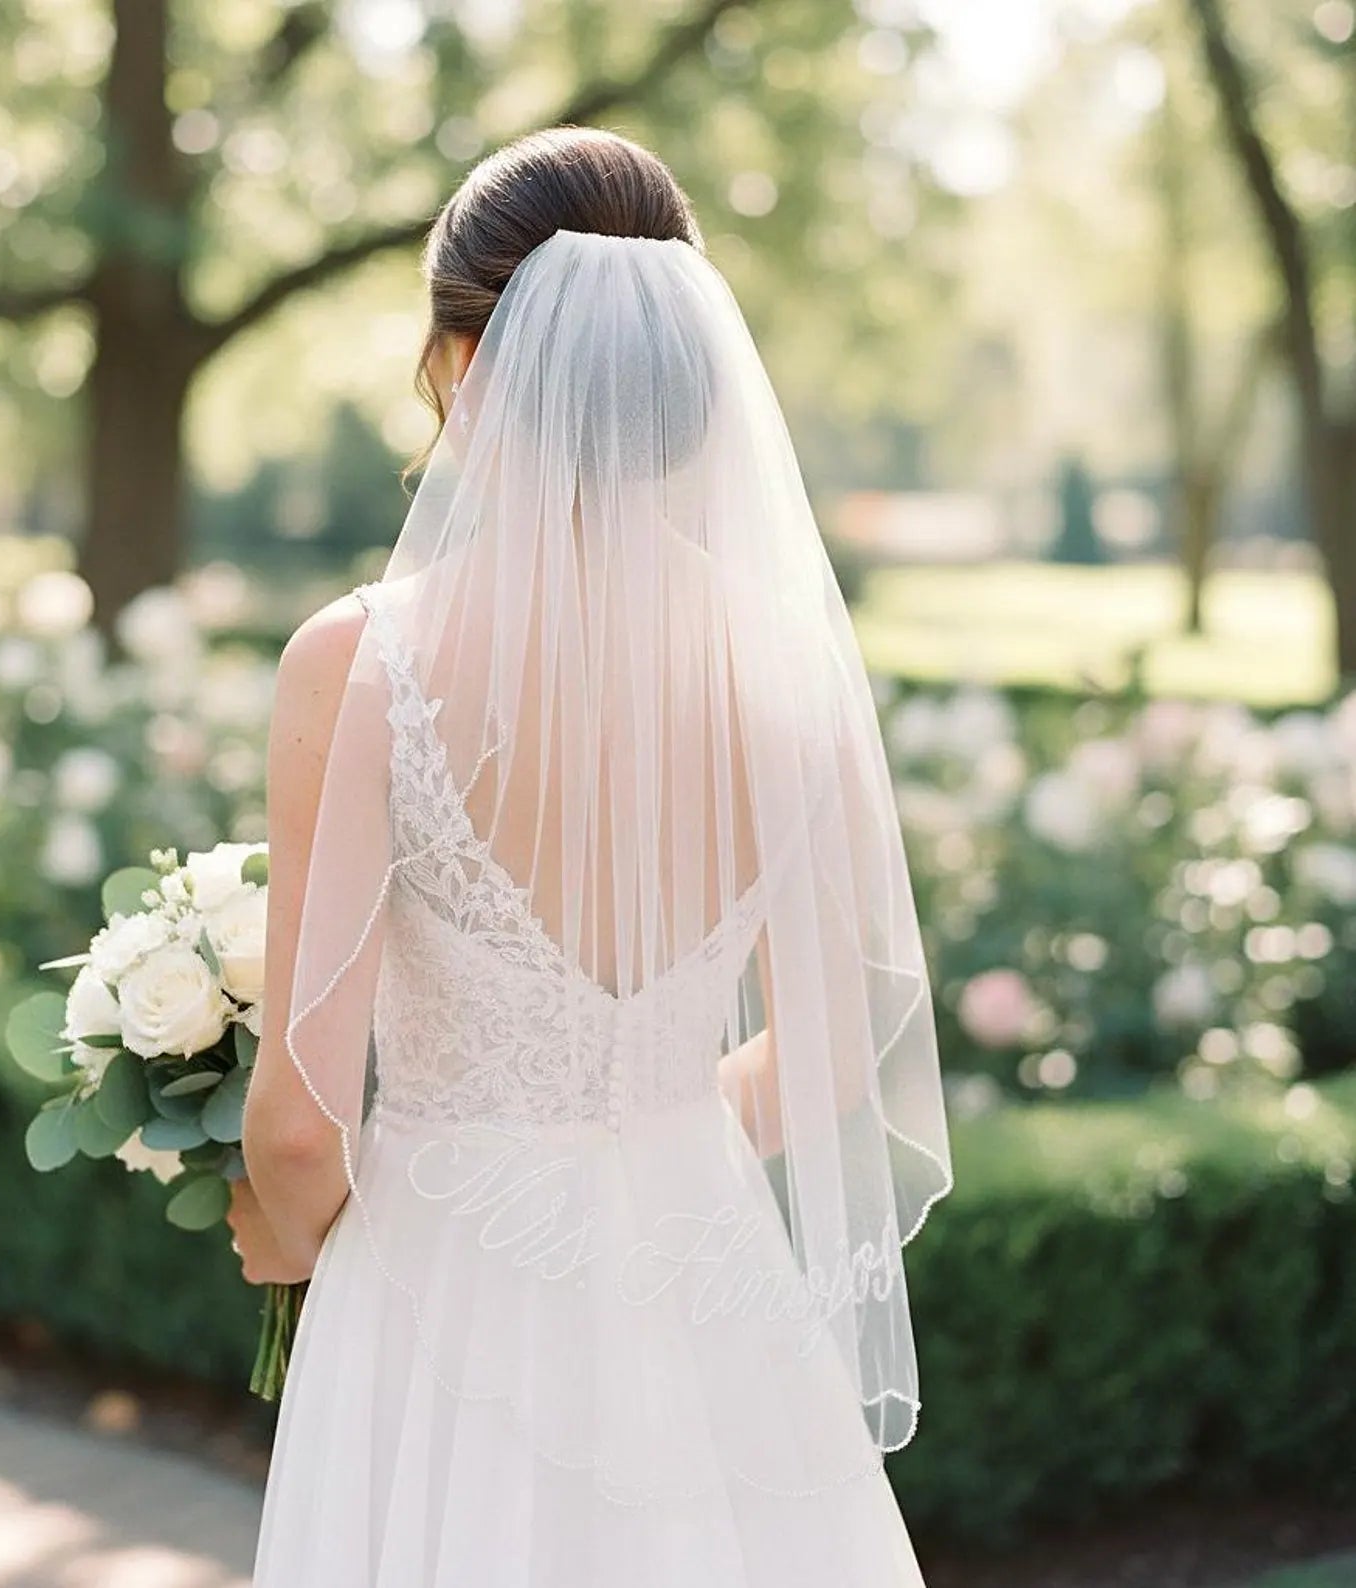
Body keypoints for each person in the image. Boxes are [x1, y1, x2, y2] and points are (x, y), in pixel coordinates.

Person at [228, 125, 953, 1586]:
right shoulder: (788, 669)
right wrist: (646, 1126)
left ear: (461, 360)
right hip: (705, 1279)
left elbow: (302, 1128)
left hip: (441, 1296)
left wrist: (278, 1231)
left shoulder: (365, 663)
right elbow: (827, 1052)